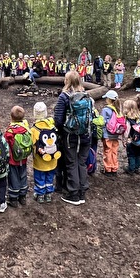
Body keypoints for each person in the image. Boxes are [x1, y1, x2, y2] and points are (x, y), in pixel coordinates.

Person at [54, 70, 92, 205]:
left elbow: (58, 119)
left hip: (70, 135)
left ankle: (73, 194)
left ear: (67, 81)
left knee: (71, 163)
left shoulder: (64, 96)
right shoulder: (87, 95)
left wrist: (59, 131)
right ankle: (82, 191)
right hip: (86, 134)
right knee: (81, 162)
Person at [30, 102, 59, 204]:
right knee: (50, 176)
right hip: (52, 161)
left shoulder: (34, 129)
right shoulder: (52, 125)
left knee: (40, 177)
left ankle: (40, 194)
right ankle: (48, 194)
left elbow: (31, 144)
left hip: (39, 162)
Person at [4, 106, 31, 208]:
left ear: (11, 117)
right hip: (23, 158)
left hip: (13, 160)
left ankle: (13, 198)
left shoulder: (10, 131)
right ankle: (22, 196)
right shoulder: (26, 129)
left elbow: (6, 144)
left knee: (13, 177)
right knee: (23, 175)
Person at [101, 90, 123, 176]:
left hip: (107, 134)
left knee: (107, 151)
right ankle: (114, 168)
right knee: (114, 151)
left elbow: (103, 122)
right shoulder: (118, 110)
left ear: (109, 99)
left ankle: (108, 169)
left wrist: (102, 134)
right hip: (116, 135)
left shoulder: (106, 110)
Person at [123, 99, 140, 174]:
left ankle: (131, 168)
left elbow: (127, 131)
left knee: (131, 154)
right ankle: (137, 168)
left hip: (131, 139)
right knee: (138, 154)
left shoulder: (128, 120)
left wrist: (125, 140)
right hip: (139, 139)